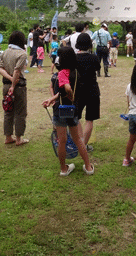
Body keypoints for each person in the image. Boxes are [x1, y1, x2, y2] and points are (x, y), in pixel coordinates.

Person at [42, 45, 94, 176]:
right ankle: (88, 167)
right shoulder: (76, 72)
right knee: (77, 139)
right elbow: (61, 93)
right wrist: (52, 98)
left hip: (60, 111)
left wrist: (69, 94)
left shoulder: (62, 73)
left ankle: (63, 169)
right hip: (72, 110)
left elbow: (67, 88)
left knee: (62, 140)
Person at [0, 30, 29, 146]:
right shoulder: (22, 54)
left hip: (5, 85)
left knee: (8, 111)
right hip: (18, 86)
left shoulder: (4, 52)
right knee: (20, 112)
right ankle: (19, 138)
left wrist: (10, 80)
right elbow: (17, 71)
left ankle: (8, 137)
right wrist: (13, 83)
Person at [74, 33, 101, 151]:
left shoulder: (74, 58)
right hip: (92, 91)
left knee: (76, 117)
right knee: (89, 119)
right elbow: (97, 68)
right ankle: (83, 145)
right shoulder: (94, 57)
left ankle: (80, 143)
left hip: (78, 92)